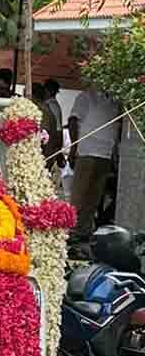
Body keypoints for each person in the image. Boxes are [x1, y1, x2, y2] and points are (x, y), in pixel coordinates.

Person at [68, 86, 122, 251]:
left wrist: (114, 153)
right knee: (79, 194)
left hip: (105, 154)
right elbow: (73, 121)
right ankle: (69, 231)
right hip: (87, 151)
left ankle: (82, 232)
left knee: (94, 197)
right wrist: (73, 147)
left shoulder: (115, 101)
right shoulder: (87, 96)